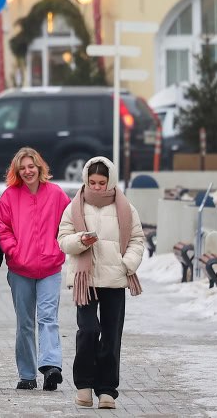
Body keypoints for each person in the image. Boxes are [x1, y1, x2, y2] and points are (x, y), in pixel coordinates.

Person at [57, 156, 145, 410]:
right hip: (86, 281)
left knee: (111, 335)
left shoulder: (125, 206)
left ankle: (107, 390)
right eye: (92, 182)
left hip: (115, 280)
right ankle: (83, 386)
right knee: (88, 331)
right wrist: (80, 241)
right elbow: (63, 239)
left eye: (101, 182)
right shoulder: (74, 206)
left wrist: (127, 263)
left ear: (111, 181)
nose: (96, 187)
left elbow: (137, 239)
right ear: (86, 180)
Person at [0, 147, 70, 392]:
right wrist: (14, 251)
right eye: (23, 168)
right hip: (20, 269)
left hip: (50, 267)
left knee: (48, 318)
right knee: (25, 322)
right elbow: (2, 228)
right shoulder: (9, 197)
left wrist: (59, 247)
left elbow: (68, 223)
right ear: (17, 171)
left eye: (31, 166)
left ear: (40, 167)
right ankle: (27, 375)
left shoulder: (57, 194)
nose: (28, 171)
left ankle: (51, 367)